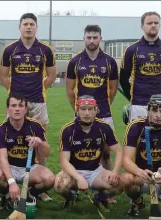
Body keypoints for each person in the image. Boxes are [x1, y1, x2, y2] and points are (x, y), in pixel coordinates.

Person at [0, 13, 57, 201]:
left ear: (36, 27)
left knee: (39, 141)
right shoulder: (10, 50)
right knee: (12, 140)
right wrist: (15, 94)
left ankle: (40, 186)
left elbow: (51, 75)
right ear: (20, 27)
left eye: (32, 24)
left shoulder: (45, 50)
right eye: (25, 24)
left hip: (38, 101)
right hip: (16, 103)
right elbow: (4, 76)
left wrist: (39, 88)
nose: (29, 27)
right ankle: (11, 182)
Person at [65, 24, 119, 204]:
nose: (92, 41)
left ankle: (106, 187)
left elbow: (112, 89)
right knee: (79, 149)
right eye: (89, 37)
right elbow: (70, 89)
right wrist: (79, 109)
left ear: (100, 39)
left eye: (95, 37)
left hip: (104, 112)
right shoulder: (75, 61)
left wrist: (100, 108)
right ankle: (76, 183)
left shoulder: (109, 61)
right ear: (84, 38)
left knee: (106, 152)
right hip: (82, 113)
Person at [53, 95, 123, 211]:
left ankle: (99, 198)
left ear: (96, 110)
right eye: (83, 109)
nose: (87, 113)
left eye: (90, 109)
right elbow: (64, 162)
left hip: (95, 171)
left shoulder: (104, 127)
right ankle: (71, 198)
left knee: (119, 184)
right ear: (77, 110)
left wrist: (115, 172)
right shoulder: (67, 130)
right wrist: (79, 178)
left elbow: (119, 151)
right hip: (73, 172)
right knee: (59, 185)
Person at [0, 92, 55, 210]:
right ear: (7, 110)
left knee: (50, 179)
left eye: (20, 106)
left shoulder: (35, 126)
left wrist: (39, 142)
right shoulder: (0, 129)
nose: (17, 109)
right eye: (13, 106)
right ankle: (7, 195)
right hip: (10, 166)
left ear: (26, 109)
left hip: (30, 167)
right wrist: (11, 182)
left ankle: (30, 195)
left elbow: (46, 153)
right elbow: (3, 158)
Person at [120, 11, 161, 123]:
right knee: (137, 139)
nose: (153, 25)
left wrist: (160, 95)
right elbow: (123, 79)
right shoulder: (132, 50)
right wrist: (132, 98)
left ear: (159, 25)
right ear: (142, 26)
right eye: (149, 23)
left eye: (156, 22)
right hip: (138, 104)